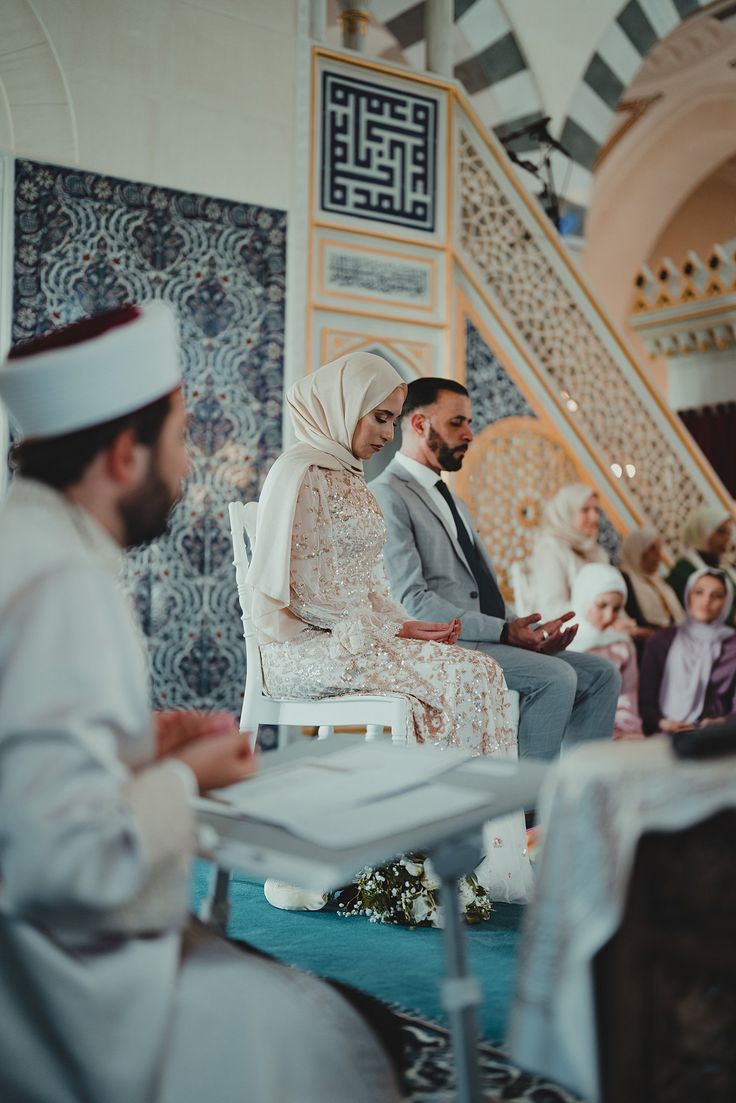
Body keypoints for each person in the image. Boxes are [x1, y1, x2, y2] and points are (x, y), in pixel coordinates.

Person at [0, 305, 401, 1103]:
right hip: (67, 998)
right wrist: (191, 774)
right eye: (181, 441)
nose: (188, 469)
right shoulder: (64, 586)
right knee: (345, 1039)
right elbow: (59, 860)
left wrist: (143, 745)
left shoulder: (27, 540)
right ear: (123, 455)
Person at [248, 353, 533, 921]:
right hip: (304, 650)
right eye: (379, 418)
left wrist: (403, 625)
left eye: (392, 419)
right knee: (451, 677)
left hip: (361, 639)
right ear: (344, 408)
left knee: (478, 670)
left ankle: (471, 856)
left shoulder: (352, 478)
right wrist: (387, 629)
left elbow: (373, 587)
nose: (386, 433)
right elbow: (298, 593)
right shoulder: (298, 470)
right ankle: (420, 852)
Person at [370, 377, 619, 764]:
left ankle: (580, 789)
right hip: (443, 645)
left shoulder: (452, 499)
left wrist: (528, 633)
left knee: (602, 674)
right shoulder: (388, 494)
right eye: (457, 423)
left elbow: (482, 590)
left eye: (469, 422)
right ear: (419, 425)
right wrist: (504, 632)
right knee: (555, 677)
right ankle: (527, 806)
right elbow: (411, 601)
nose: (470, 433)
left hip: (487, 639)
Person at [639, 567, 736, 736]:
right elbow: (646, 702)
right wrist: (663, 722)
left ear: (727, 602)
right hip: (664, 734)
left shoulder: (733, 646)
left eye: (717, 595)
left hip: (718, 737)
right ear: (688, 595)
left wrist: (721, 723)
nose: (706, 601)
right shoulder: (661, 641)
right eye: (699, 592)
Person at [567, 564, 644, 740]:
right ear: (584, 598)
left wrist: (623, 730)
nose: (609, 616)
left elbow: (627, 698)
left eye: (617, 609)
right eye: (601, 605)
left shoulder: (621, 645)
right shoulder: (563, 643)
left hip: (618, 732)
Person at [527, 481, 609, 619]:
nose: (595, 517)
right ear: (566, 512)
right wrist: (603, 618)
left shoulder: (595, 551)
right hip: (573, 636)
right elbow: (550, 609)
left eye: (596, 510)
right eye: (585, 510)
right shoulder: (550, 548)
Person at [666, 506, 736, 626]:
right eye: (720, 532)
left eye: (728, 533)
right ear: (703, 532)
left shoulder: (725, 570)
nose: (726, 539)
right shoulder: (684, 569)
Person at [619, 526, 684, 634]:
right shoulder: (623, 581)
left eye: (659, 549)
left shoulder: (661, 584)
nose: (658, 555)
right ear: (637, 550)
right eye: (652, 549)